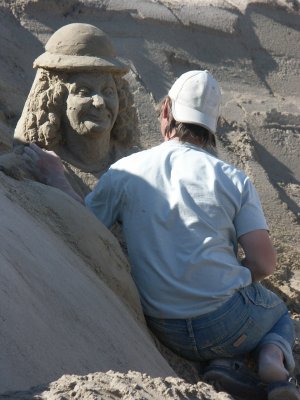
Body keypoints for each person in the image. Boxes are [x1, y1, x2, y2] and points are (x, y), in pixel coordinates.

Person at [23, 70, 299, 400]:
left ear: (166, 110)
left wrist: (57, 178)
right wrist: (237, 275)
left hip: (164, 323)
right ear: (213, 126)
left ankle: (223, 367)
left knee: (226, 318)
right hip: (226, 324)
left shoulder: (127, 170)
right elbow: (264, 263)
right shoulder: (233, 179)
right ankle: (271, 359)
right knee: (277, 313)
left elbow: (86, 225)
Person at [14, 23, 139, 196]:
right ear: (54, 100)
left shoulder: (137, 166)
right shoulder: (31, 167)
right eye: (83, 92)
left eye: (108, 91)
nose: (99, 102)